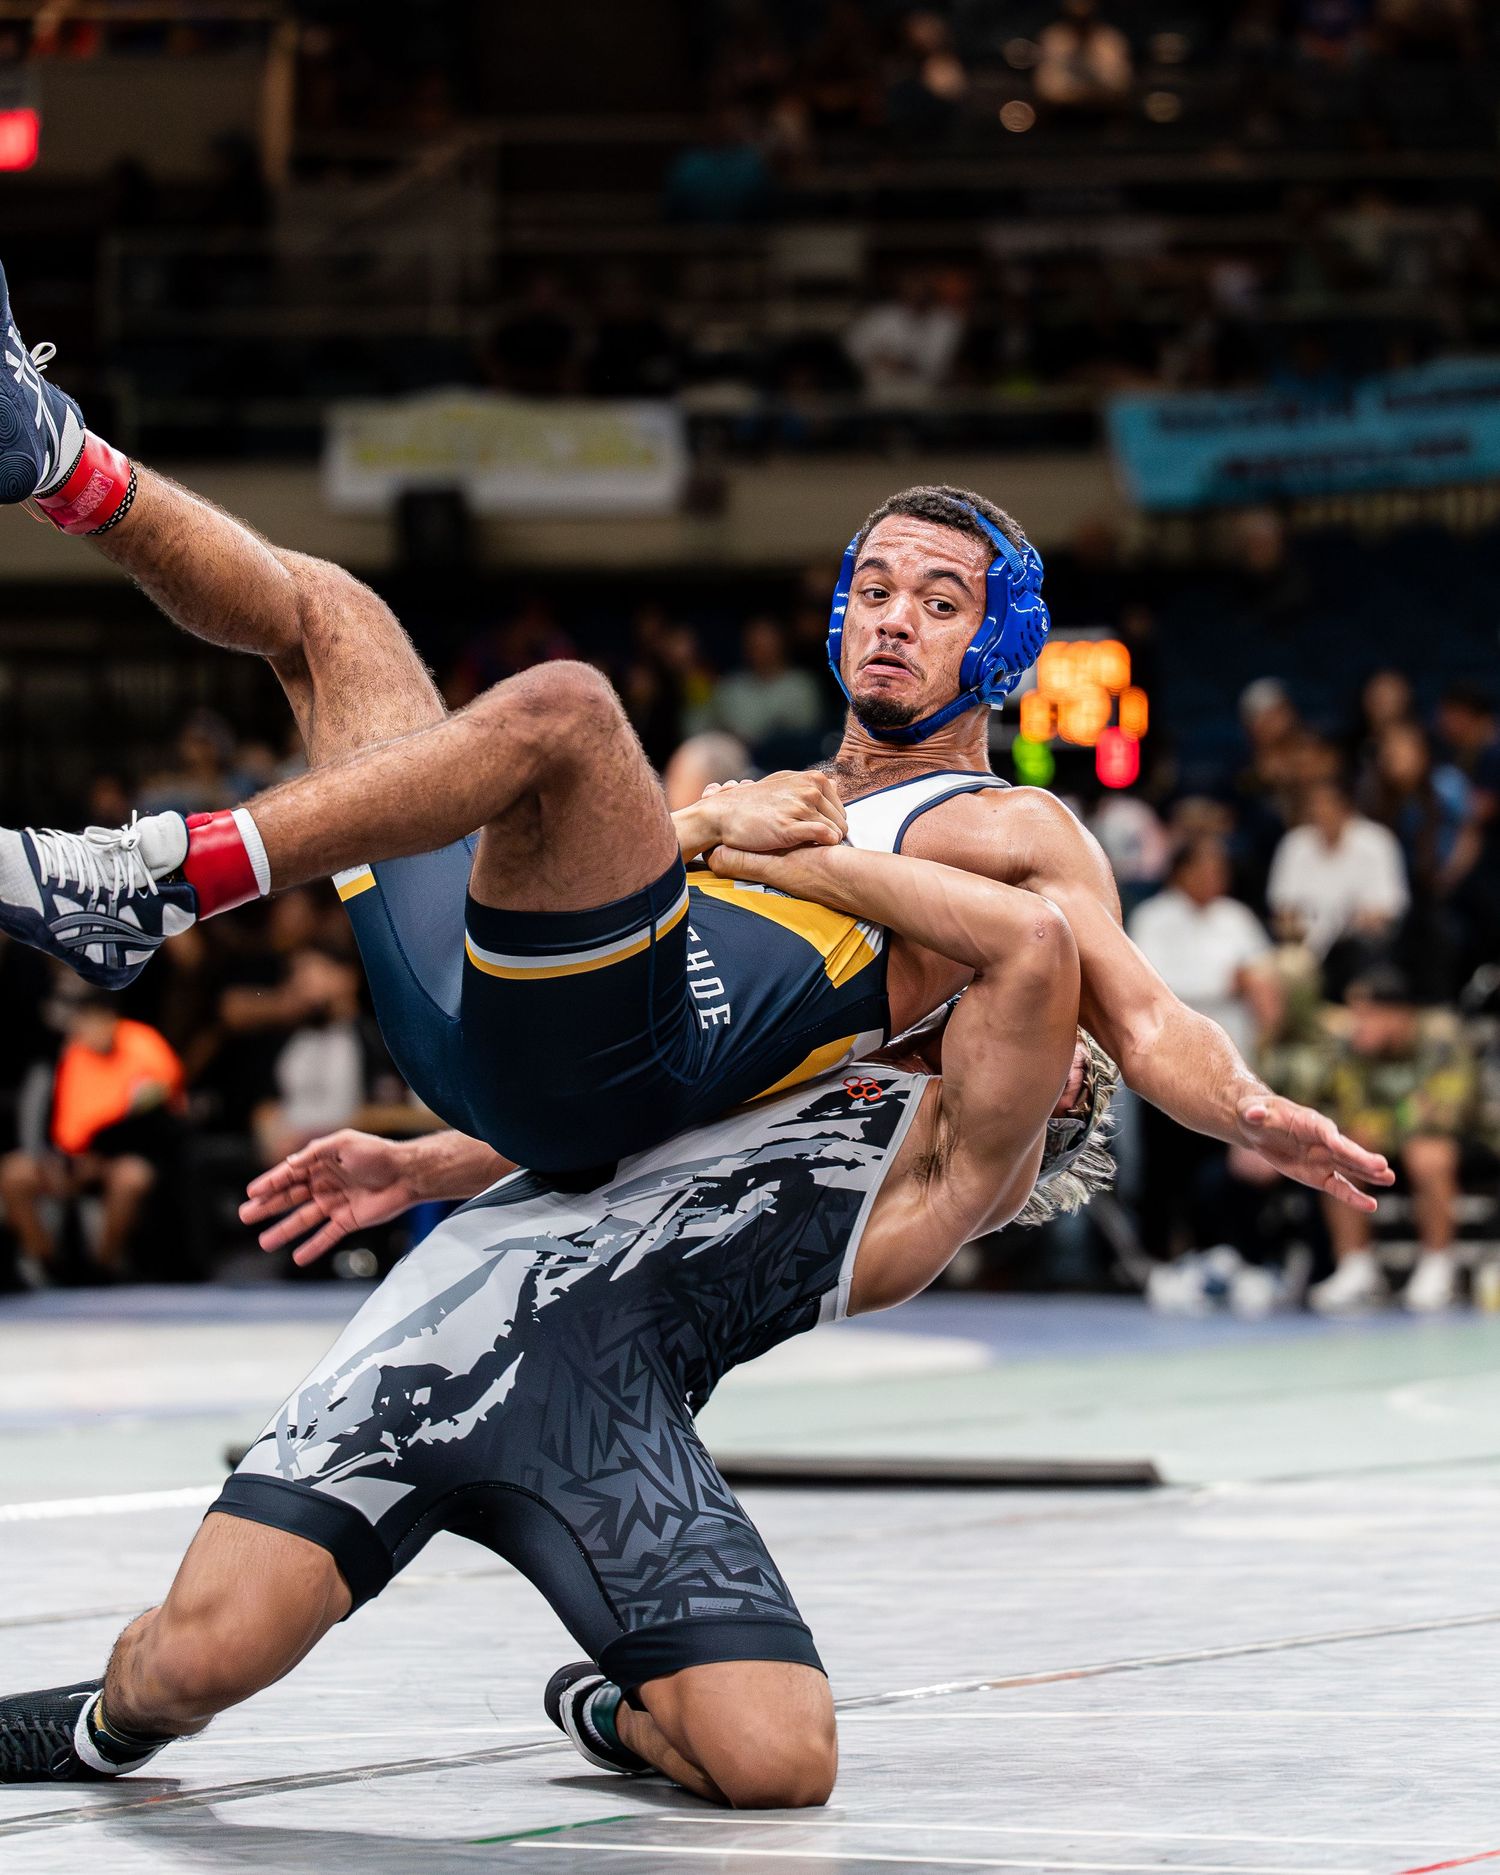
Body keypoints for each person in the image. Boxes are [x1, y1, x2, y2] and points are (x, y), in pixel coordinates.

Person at [0, 264, 1389, 1221]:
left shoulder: (1011, 829)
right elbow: (586, 993)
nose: (892, 620)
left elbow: (1145, 1018)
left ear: (1002, 650)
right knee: (336, 615)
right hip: (489, 1016)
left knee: (569, 711)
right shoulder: (782, 784)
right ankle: (58, 457)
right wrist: (434, 1166)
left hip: (616, 1058)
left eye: (940, 601)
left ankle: (146, 880)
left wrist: (1252, 1105)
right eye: (876, 591)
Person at [0, 841, 1148, 1800]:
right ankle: (101, 1724)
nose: (1041, 1052)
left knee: (780, 1760)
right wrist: (428, 1165)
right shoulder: (819, 1036)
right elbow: (627, 1109)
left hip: (609, 1432)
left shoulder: (951, 1182)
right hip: (442, 1343)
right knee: (189, 1666)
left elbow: (1031, 942)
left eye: (1064, 1068)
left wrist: (757, 839)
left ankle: (615, 1712)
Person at [1304, 970, 1477, 1315]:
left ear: (1400, 1015)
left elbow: (1444, 1110)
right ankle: (1356, 1267)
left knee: (1427, 1154)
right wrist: (1365, 1129)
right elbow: (1344, 1108)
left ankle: (1438, 1266)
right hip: (1387, 1142)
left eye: (1368, 1014)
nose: (1358, 1023)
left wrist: (1382, 1127)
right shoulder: (1350, 1048)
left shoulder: (1440, 1037)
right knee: (1338, 1151)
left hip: (1457, 1141)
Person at [0, 987, 183, 1285]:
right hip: (68, 1162)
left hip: (117, 1161)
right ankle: (45, 1265)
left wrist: (100, 1159)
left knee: (130, 1178)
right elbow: (51, 1123)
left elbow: (152, 1123)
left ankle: (104, 1269)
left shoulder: (142, 1052)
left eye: (96, 1020)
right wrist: (56, 1161)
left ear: (111, 1020)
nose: (89, 1030)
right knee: (13, 1172)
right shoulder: (65, 1060)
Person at [1266, 776, 1409, 962]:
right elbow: (1283, 905)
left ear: (1346, 807)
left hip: (1359, 942)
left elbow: (1391, 904)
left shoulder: (1377, 842)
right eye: (1314, 805)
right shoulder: (1295, 843)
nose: (1320, 811)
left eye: (1327, 804)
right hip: (1305, 942)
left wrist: (1360, 921)